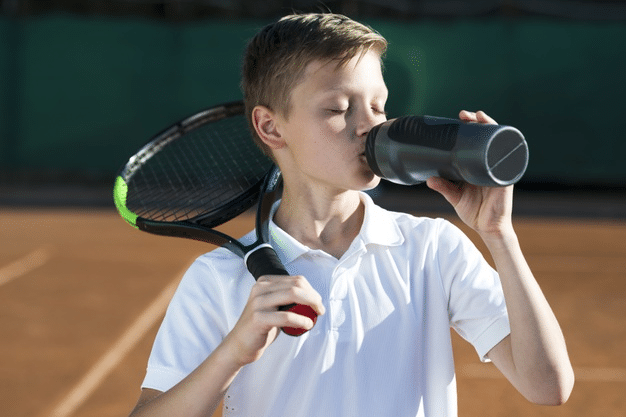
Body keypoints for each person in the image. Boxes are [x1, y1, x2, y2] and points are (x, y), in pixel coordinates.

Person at [129, 13, 574, 417]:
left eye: (378, 105)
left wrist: (500, 235)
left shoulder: (432, 249)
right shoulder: (220, 278)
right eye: (339, 109)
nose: (369, 125)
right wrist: (233, 353)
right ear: (270, 126)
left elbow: (548, 386)